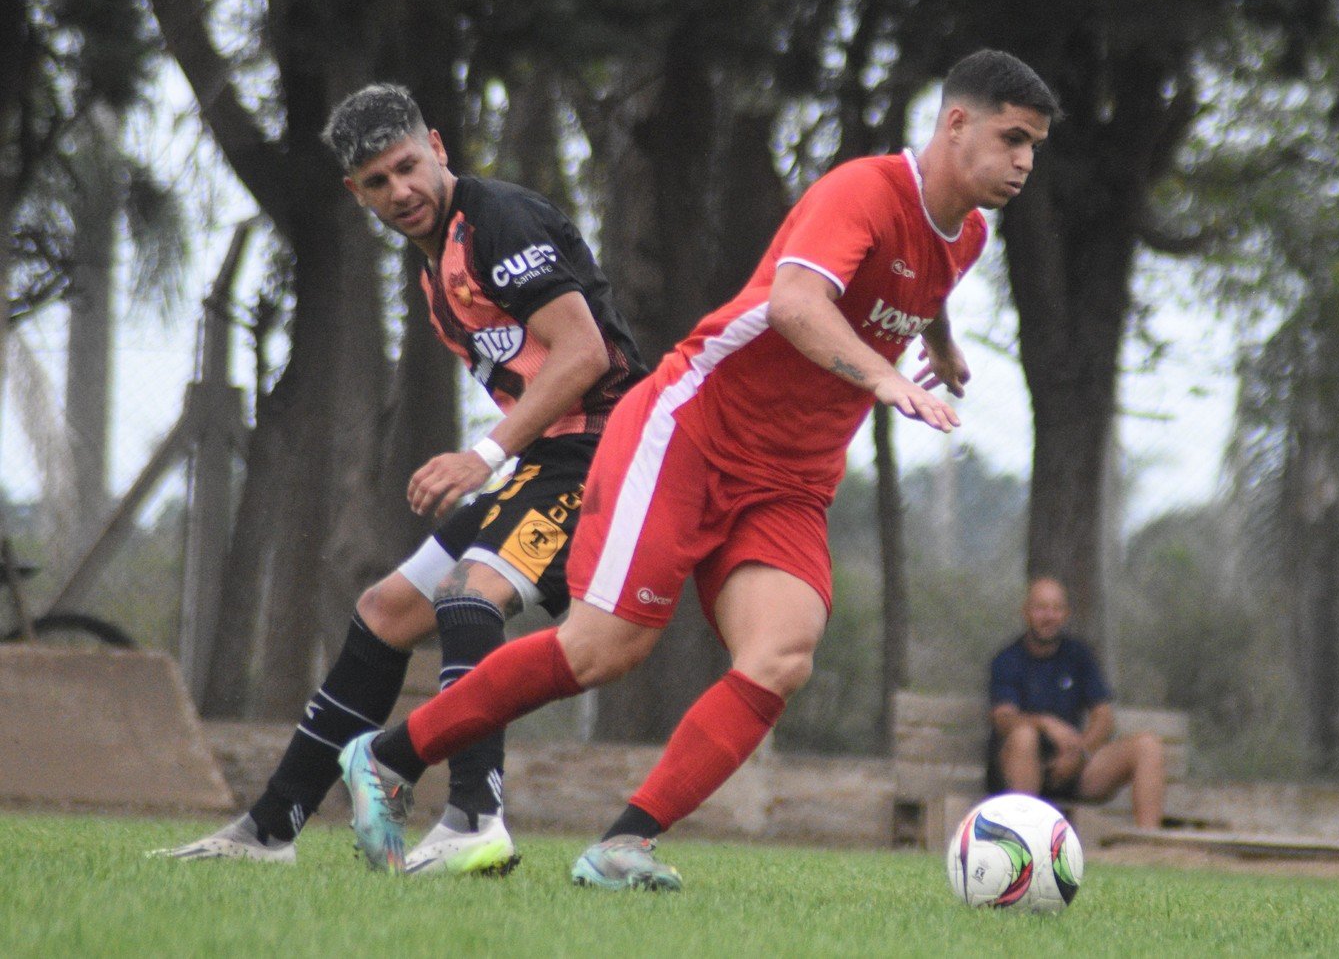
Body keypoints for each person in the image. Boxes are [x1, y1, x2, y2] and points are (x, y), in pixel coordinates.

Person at [337, 49, 1062, 886]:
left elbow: (920, 279)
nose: (1024, 162)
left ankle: (624, 843)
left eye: (1034, 146)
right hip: (692, 430)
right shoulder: (862, 190)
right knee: (602, 650)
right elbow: (795, 302)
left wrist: (938, 343)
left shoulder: (966, 229)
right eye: (1012, 138)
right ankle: (389, 758)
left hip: (791, 480)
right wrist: (884, 374)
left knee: (782, 655)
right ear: (956, 123)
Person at [151, 84, 646, 874]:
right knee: (384, 610)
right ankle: (270, 831)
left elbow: (584, 355)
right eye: (377, 181)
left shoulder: (498, 222)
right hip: (549, 458)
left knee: (467, 596)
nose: (400, 191)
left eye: (408, 166)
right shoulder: (434, 264)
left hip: (604, 450)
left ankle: (476, 816)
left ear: (438, 148)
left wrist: (480, 455)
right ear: (357, 193)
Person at [987, 576, 1166, 830]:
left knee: (1147, 745)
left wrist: (1081, 752)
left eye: (1056, 608)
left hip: (1072, 768)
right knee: (1024, 736)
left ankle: (1150, 849)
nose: (1049, 616)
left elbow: (1104, 716)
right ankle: (1026, 841)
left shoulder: (1079, 656)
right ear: (1026, 612)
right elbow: (1002, 719)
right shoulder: (1007, 660)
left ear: (1066, 614)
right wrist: (1045, 724)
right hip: (1019, 770)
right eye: (1040, 608)